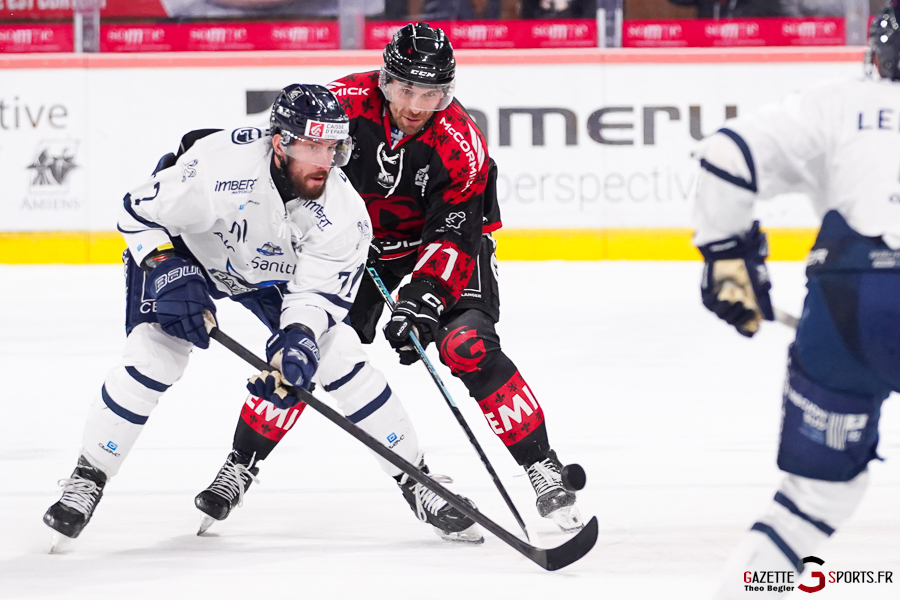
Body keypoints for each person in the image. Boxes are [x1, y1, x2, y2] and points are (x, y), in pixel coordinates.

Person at [43, 83, 482, 548]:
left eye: (333, 147)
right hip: (187, 254)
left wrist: (298, 341)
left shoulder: (345, 213)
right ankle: (89, 473)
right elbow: (137, 211)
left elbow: (315, 298)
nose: (324, 162)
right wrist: (164, 265)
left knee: (339, 355)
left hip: (266, 272)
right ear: (280, 142)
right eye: (313, 146)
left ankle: (417, 481)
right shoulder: (215, 166)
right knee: (155, 357)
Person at [197, 22, 584, 532]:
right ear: (384, 79)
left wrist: (422, 298)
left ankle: (541, 465)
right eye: (406, 89)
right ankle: (241, 464)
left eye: (433, 93)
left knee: (466, 344)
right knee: (308, 349)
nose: (417, 106)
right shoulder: (342, 107)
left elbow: (455, 231)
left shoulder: (461, 143)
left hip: (435, 249)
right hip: (346, 249)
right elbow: (283, 171)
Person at [692, 4, 900, 596]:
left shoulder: (839, 103)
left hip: (846, 309)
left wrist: (729, 268)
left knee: (811, 502)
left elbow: (725, 156)